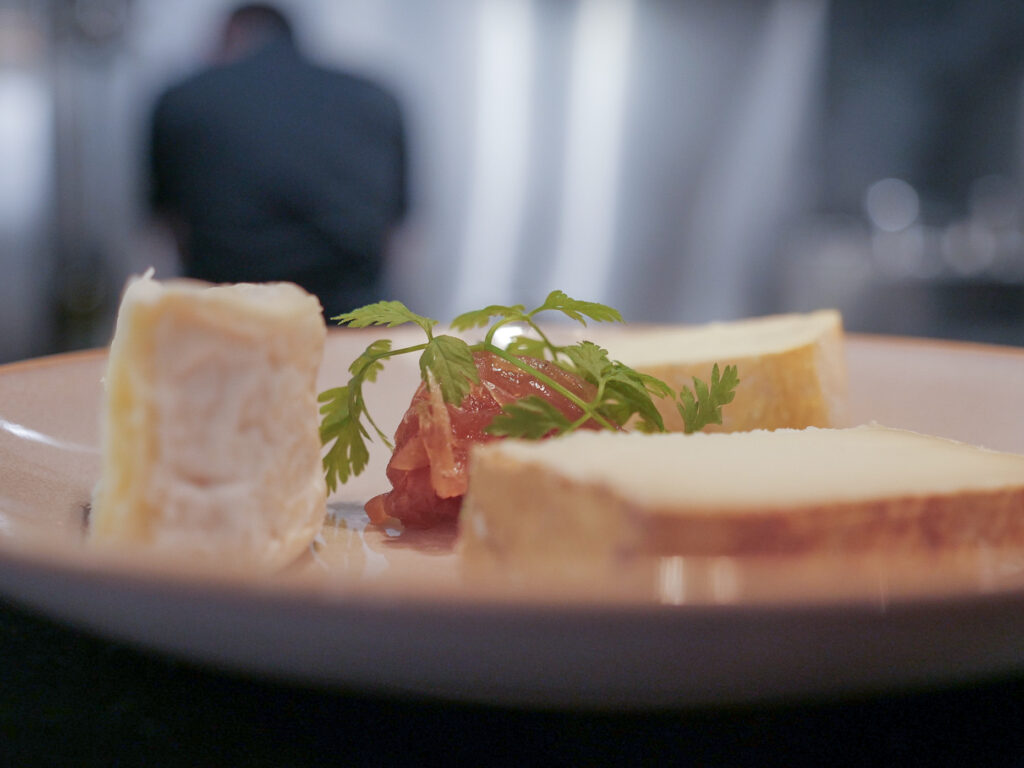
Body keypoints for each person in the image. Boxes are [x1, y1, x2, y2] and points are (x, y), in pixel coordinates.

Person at [148, 3, 408, 316]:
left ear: (233, 35)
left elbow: (168, 222)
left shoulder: (182, 98)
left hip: (227, 316)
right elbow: (395, 225)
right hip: (355, 314)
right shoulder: (376, 96)